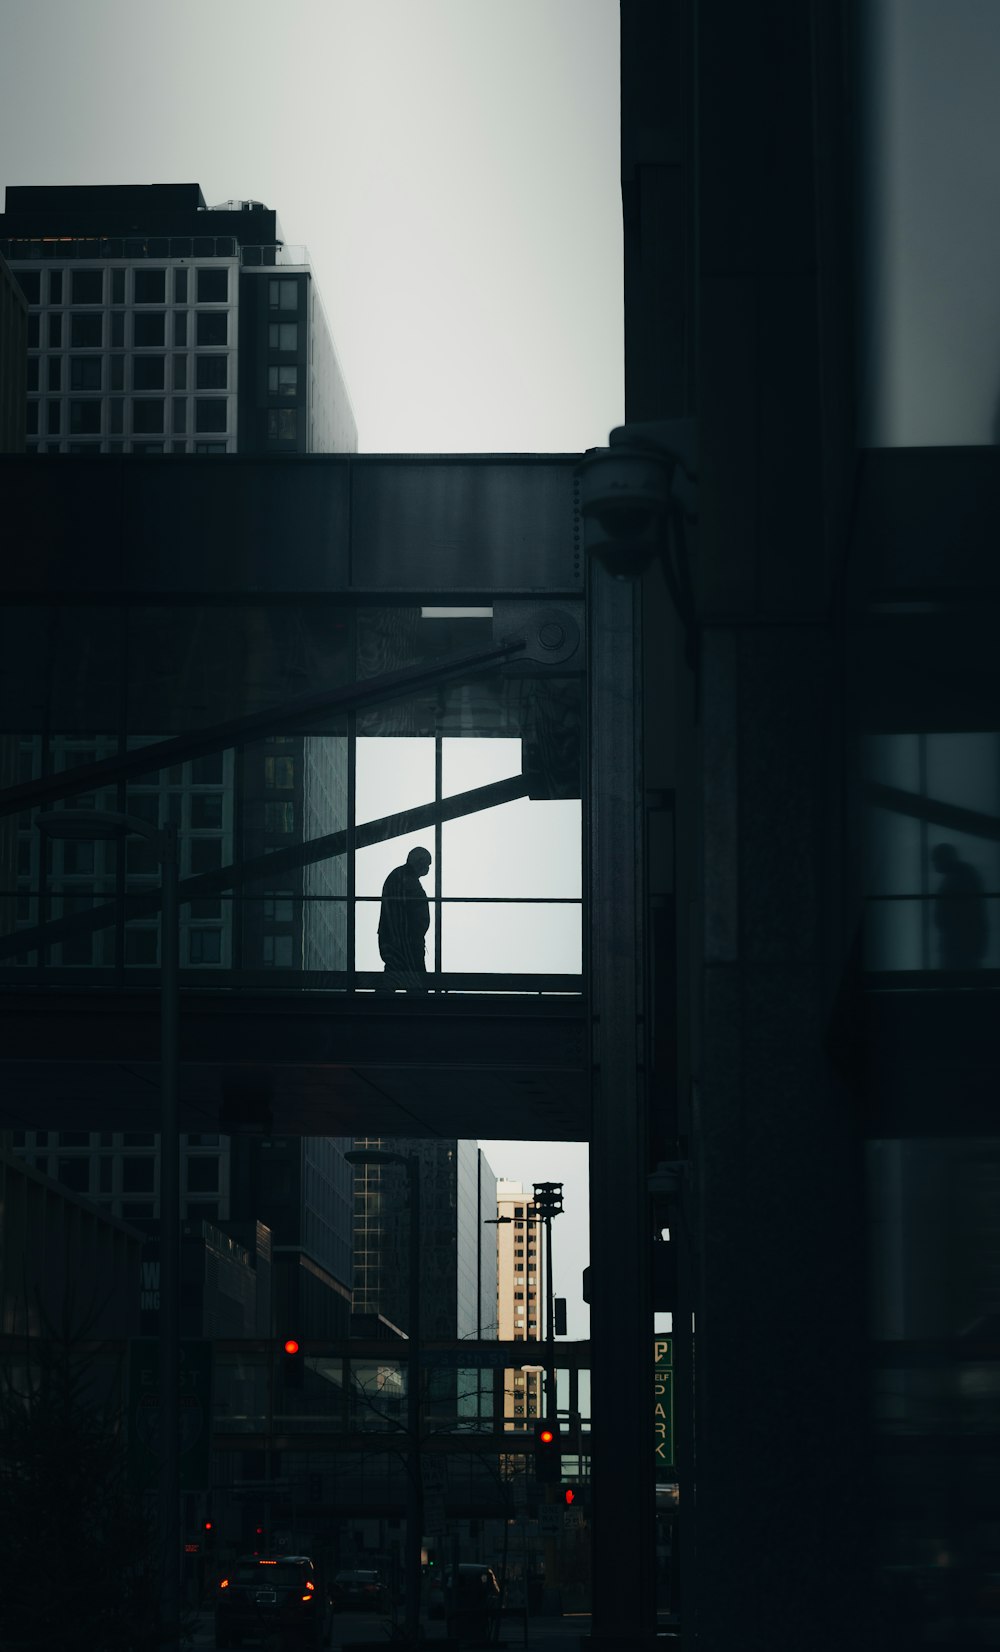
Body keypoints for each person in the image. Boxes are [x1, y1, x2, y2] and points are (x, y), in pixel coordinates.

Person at [378, 846, 432, 989]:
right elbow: (406, 911)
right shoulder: (404, 877)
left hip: (401, 938)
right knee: (412, 979)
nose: (428, 868)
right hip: (404, 940)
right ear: (419, 861)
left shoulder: (400, 876)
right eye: (427, 863)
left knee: (396, 974)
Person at [932, 842, 988, 970]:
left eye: (936, 860)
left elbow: (966, 913)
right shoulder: (965, 875)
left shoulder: (957, 879)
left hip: (958, 944)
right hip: (963, 943)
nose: (934, 864)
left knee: (952, 981)